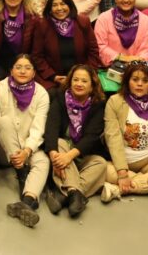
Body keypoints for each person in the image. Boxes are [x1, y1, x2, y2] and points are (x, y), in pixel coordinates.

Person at [0, 55, 49, 228]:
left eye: (27, 67)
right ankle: (21, 171)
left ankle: (28, 201)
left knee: (42, 160)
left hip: (24, 150)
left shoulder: (41, 94)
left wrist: (26, 151)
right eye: (18, 67)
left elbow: (38, 129)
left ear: (33, 72)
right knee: (4, 121)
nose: (23, 71)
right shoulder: (0, 87)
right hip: (1, 148)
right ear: (11, 70)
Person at [101, 61, 148, 202]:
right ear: (127, 81)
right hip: (120, 163)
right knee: (101, 169)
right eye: (135, 79)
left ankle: (117, 190)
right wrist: (122, 173)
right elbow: (113, 139)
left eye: (145, 80)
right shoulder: (114, 102)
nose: (140, 84)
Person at [43, 64, 108, 217]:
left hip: (80, 154)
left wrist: (68, 157)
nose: (79, 84)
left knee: (101, 164)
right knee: (60, 143)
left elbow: (91, 137)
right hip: (60, 152)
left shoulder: (98, 105)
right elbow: (51, 127)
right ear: (70, 82)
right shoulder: (59, 98)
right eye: (75, 80)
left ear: (92, 86)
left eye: (84, 81)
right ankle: (74, 194)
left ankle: (65, 195)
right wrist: (54, 156)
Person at [36, 0, 102, 89]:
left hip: (82, 79)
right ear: (50, 8)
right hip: (54, 80)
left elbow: (93, 52)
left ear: (70, 6)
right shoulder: (43, 25)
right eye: (54, 5)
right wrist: (53, 76)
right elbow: (37, 56)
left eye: (63, 4)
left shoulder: (83, 22)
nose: (59, 8)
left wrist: (84, 76)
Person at [94, 0, 148, 67]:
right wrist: (122, 58)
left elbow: (146, 51)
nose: (126, 0)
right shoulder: (103, 19)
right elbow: (101, 47)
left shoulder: (146, 21)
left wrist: (133, 65)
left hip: (137, 70)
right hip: (110, 69)